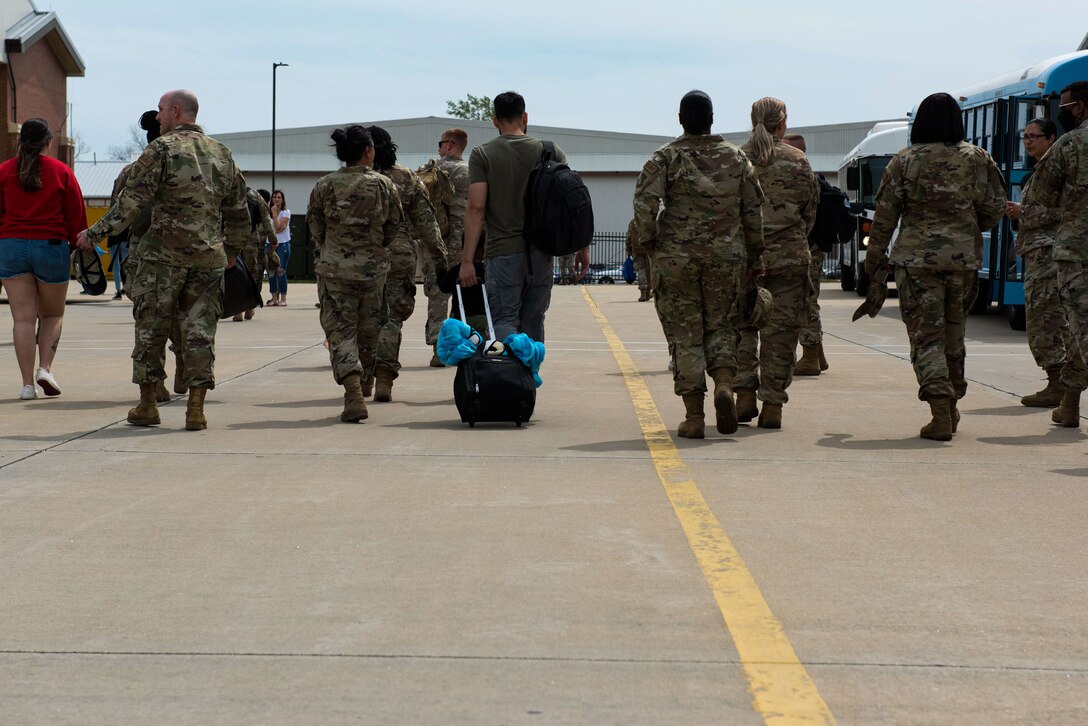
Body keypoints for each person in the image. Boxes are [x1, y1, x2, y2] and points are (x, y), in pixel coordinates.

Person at [77, 89, 249, 431]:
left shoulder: (161, 149)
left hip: (161, 259)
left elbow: (130, 203)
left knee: (151, 329)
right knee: (200, 331)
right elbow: (239, 211)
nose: (156, 118)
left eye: (159, 111)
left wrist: (92, 234)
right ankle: (196, 410)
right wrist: (229, 252)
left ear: (175, 111)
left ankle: (148, 405)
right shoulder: (222, 153)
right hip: (207, 259)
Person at [864, 92, 1005, 441]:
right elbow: (995, 206)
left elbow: (885, 215)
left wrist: (875, 259)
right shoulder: (978, 158)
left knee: (926, 337)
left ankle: (941, 407)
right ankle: (953, 394)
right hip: (963, 260)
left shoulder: (905, 160)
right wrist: (967, 229)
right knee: (954, 334)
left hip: (916, 261)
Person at [633, 90, 765, 439]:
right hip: (727, 258)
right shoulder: (737, 158)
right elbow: (753, 212)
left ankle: (694, 417)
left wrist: (648, 243)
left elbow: (644, 203)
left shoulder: (665, 157)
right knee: (722, 326)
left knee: (685, 333)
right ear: (711, 119)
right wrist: (756, 256)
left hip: (677, 259)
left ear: (681, 119)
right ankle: (724, 382)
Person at [459, 91, 589, 342]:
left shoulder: (482, 155)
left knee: (504, 320)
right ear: (525, 116)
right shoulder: (550, 151)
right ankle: (529, 379)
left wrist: (467, 260)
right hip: (541, 254)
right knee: (533, 320)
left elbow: (476, 209)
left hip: (502, 254)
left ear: (495, 120)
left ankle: (509, 378)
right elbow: (573, 203)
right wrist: (582, 246)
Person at [735, 99, 819, 429]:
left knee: (742, 329)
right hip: (789, 260)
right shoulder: (799, 162)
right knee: (781, 335)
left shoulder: (737, 159)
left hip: (744, 260)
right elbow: (809, 214)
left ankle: (743, 394)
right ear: (782, 124)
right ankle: (772, 405)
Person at [309, 125, 401, 422]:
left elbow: (315, 227)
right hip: (373, 271)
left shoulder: (324, 185)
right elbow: (393, 227)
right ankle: (361, 386)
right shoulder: (384, 185)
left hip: (335, 271)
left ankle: (353, 392)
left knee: (340, 333)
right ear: (368, 152)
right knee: (369, 332)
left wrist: (334, 249)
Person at [0, 118, 87, 400]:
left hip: (11, 246)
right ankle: (45, 369)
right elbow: (76, 216)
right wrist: (79, 244)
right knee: (51, 313)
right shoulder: (62, 171)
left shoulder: (3, 171)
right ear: (49, 142)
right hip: (51, 246)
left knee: (22, 319)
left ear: (20, 141)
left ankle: (27, 386)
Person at [368, 125, 446, 402]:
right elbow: (427, 221)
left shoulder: (349, 179)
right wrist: (439, 255)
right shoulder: (407, 177)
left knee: (358, 317)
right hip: (397, 255)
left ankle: (362, 377)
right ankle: (384, 379)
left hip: (356, 257)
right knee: (391, 319)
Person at [105, 110, 175, 402]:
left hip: (144, 257)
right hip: (183, 253)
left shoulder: (131, 172)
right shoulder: (186, 167)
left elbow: (116, 214)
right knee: (185, 318)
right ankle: (185, 368)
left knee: (150, 322)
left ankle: (155, 383)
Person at [1030, 80, 1088, 429]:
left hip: (1078, 253)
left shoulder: (1071, 144)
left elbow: (1042, 196)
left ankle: (1068, 402)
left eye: (1064, 109)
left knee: (1082, 331)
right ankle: (1068, 403)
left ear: (1080, 107)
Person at [1005, 118, 1067, 407]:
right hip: (1040, 251)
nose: (1028, 142)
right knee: (1051, 319)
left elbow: (1061, 210)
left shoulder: (1056, 167)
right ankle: (1061, 384)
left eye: (1034, 136)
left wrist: (1022, 213)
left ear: (1051, 137)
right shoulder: (1040, 168)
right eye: (1025, 137)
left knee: (1044, 320)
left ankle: (1058, 385)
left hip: (1049, 253)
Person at [783, 132, 851, 376]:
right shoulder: (806, 176)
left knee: (805, 300)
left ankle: (811, 355)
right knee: (807, 299)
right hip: (808, 245)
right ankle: (817, 353)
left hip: (806, 246)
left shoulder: (801, 178)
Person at [422, 128, 470, 367]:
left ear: (450, 145)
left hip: (437, 241)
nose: (438, 147)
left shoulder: (431, 172)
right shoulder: (470, 172)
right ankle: (467, 344)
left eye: (440, 143)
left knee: (438, 296)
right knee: (467, 295)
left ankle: (438, 349)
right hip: (466, 243)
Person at [235, 187, 276, 321]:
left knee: (234, 272)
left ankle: (238, 309)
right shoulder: (255, 196)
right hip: (251, 238)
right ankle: (249, 307)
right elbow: (265, 218)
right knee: (250, 273)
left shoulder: (230, 192)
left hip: (232, 238)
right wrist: (273, 238)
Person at [266, 189, 290, 306]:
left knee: (280, 271)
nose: (276, 199)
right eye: (274, 197)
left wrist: (275, 214)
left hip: (282, 244)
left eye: (279, 197)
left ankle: (283, 298)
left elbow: (279, 228)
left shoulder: (286, 212)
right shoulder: (267, 213)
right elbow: (275, 228)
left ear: (282, 200)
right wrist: (277, 226)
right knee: (271, 271)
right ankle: (273, 297)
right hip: (269, 244)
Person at [625, 218, 653, 302]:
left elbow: (628, 237)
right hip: (649, 250)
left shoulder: (633, 222)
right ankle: (648, 293)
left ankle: (643, 293)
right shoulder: (650, 219)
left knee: (641, 271)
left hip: (637, 250)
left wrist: (628, 249)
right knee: (650, 271)